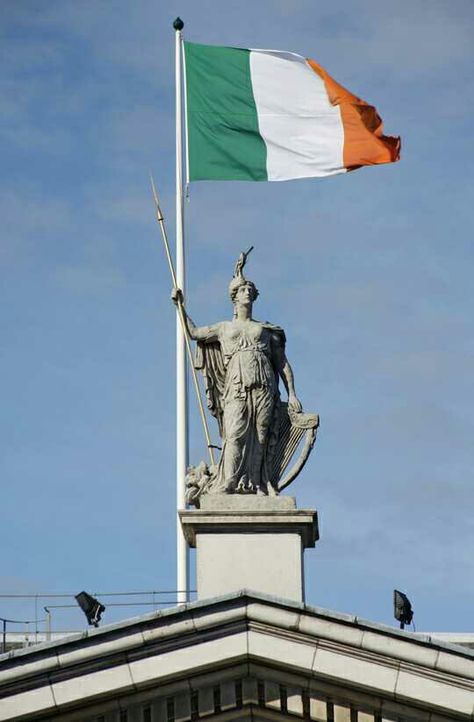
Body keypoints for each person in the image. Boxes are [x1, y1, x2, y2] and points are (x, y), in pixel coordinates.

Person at [173, 249, 302, 496]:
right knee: (234, 435)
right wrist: (180, 306)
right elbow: (194, 333)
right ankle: (228, 483)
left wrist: (292, 393)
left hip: (264, 385)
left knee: (262, 434)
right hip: (236, 386)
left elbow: (282, 363)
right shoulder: (224, 328)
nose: (248, 293)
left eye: (251, 291)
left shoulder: (264, 330)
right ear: (234, 296)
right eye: (244, 290)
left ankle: (259, 483)